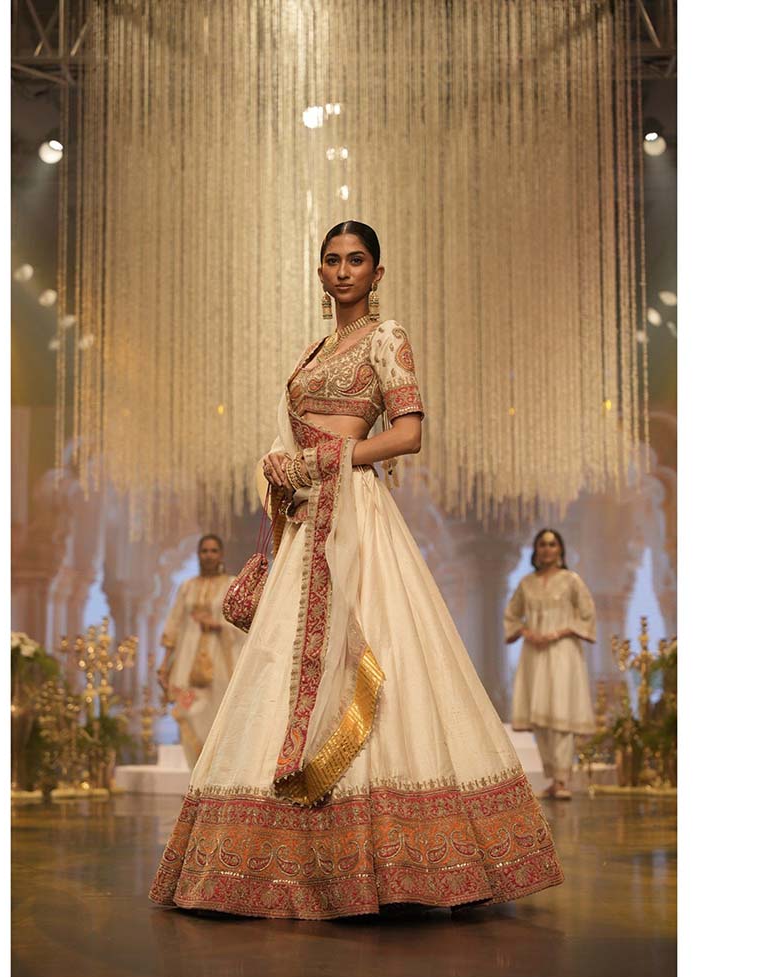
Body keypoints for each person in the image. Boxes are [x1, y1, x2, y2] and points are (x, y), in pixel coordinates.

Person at [150, 221, 564, 919]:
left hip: (359, 519)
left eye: (357, 260)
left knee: (386, 649)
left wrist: (327, 459)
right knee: (284, 668)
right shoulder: (312, 352)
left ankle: (407, 864)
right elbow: (293, 438)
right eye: (332, 261)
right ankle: (273, 866)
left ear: (377, 272)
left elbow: (409, 434)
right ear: (320, 273)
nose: (343, 271)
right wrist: (283, 470)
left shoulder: (385, 337)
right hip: (307, 519)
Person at [504, 529, 597, 801]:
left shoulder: (571, 581)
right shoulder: (526, 584)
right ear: (535, 550)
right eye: (542, 544)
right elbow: (511, 615)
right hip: (535, 653)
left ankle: (562, 778)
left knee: (561, 713)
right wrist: (525, 631)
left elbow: (587, 615)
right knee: (541, 717)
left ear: (560, 550)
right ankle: (552, 779)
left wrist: (561, 631)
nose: (547, 549)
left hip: (563, 652)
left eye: (552, 544)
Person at [157, 534, 245, 766]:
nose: (209, 555)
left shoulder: (232, 585)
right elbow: (174, 624)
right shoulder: (187, 587)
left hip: (222, 663)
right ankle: (195, 776)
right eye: (204, 551)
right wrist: (165, 664)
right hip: (187, 664)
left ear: (221, 555)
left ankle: (217, 775)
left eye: (214, 551)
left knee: (219, 716)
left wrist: (218, 625)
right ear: (198, 555)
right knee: (189, 712)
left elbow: (244, 624)